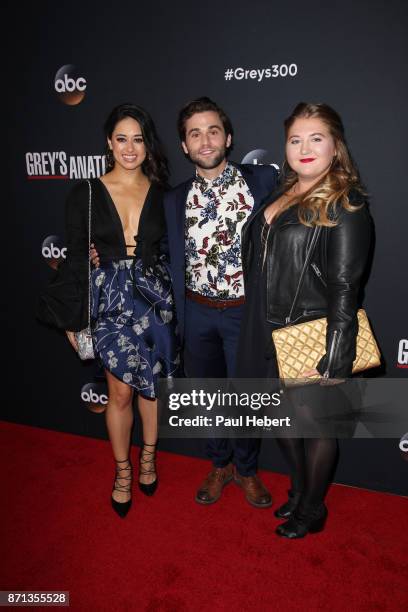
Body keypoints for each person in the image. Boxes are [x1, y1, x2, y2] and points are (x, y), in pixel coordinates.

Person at [237, 102, 372, 537]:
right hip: (267, 325)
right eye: (295, 139)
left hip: (311, 330)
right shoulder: (282, 190)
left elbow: (346, 286)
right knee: (280, 420)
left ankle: (313, 510)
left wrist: (338, 353)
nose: (305, 147)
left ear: (336, 147)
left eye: (316, 138)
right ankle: (299, 491)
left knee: (314, 428)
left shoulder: (345, 201)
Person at [38, 104, 180, 518]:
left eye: (138, 139)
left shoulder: (162, 193)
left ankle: (149, 457)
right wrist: (73, 318)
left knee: (150, 389)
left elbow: (173, 251)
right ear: (108, 142)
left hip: (155, 301)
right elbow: (78, 259)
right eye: (122, 138)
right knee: (119, 392)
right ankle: (122, 471)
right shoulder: (84, 193)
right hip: (112, 300)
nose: (130, 148)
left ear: (147, 144)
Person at [164, 97, 278, 507]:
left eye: (213, 130)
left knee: (245, 398)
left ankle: (247, 470)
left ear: (228, 138)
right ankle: (220, 465)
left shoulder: (262, 181)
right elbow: (153, 250)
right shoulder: (173, 200)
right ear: (184, 146)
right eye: (194, 133)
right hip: (196, 312)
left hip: (246, 313)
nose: (205, 139)